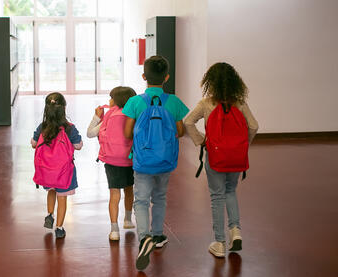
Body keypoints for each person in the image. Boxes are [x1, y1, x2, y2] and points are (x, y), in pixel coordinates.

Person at [184, 62, 259, 257]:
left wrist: (201, 141)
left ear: (211, 83)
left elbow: (188, 122)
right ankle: (236, 230)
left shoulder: (206, 104)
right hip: (235, 158)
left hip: (215, 157)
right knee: (230, 191)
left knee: (217, 196)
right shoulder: (240, 103)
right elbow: (254, 126)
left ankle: (219, 242)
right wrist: (242, 146)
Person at [123, 56, 189, 270]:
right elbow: (180, 131)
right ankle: (158, 234)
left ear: (144, 76)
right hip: (165, 160)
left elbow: (127, 133)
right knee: (159, 196)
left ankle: (145, 239)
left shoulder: (135, 102)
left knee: (141, 200)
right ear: (166, 77)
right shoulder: (174, 101)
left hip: (142, 160)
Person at [86, 86, 137, 241]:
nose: (108, 100)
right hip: (130, 159)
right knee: (129, 190)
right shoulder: (133, 115)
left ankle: (114, 230)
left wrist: (96, 117)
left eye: (110, 97)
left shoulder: (109, 114)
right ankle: (128, 220)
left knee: (114, 194)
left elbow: (90, 133)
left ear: (115, 101)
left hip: (111, 160)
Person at [31, 92, 83, 239]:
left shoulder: (43, 126)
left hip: (47, 171)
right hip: (64, 172)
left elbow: (34, 143)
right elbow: (78, 145)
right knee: (62, 198)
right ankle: (59, 228)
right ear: (64, 108)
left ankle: (49, 214)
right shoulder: (69, 128)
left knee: (51, 190)